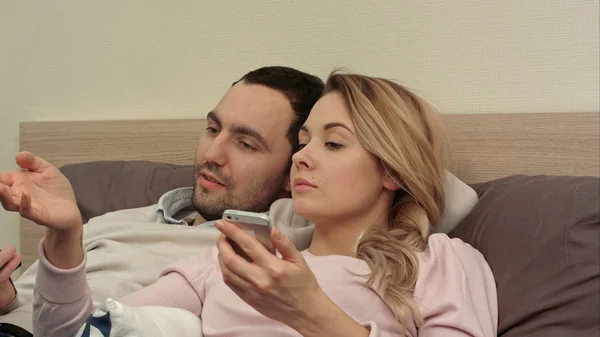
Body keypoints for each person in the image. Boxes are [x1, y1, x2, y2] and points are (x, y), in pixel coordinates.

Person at [32, 71, 498, 336]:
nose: (303, 157)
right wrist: (65, 234)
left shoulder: (442, 263)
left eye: (333, 144)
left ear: (392, 171)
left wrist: (311, 312)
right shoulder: (233, 262)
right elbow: (83, 333)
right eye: (303, 140)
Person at [0, 66, 325, 334]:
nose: (211, 154)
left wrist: (66, 232)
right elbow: (30, 308)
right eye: (213, 129)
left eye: (246, 144)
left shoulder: (272, 243)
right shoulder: (115, 220)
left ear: (296, 168)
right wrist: (7, 298)